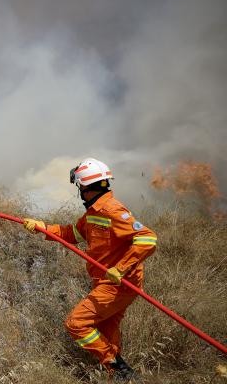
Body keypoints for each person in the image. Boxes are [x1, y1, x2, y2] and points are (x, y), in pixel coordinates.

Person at [22, 158, 157, 381]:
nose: (80, 192)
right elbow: (72, 234)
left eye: (80, 187)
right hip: (106, 281)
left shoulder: (112, 210)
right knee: (105, 328)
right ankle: (118, 375)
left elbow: (148, 239)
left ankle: (119, 368)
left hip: (119, 284)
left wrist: (121, 269)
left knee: (77, 323)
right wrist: (42, 227)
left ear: (86, 187)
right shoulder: (94, 212)